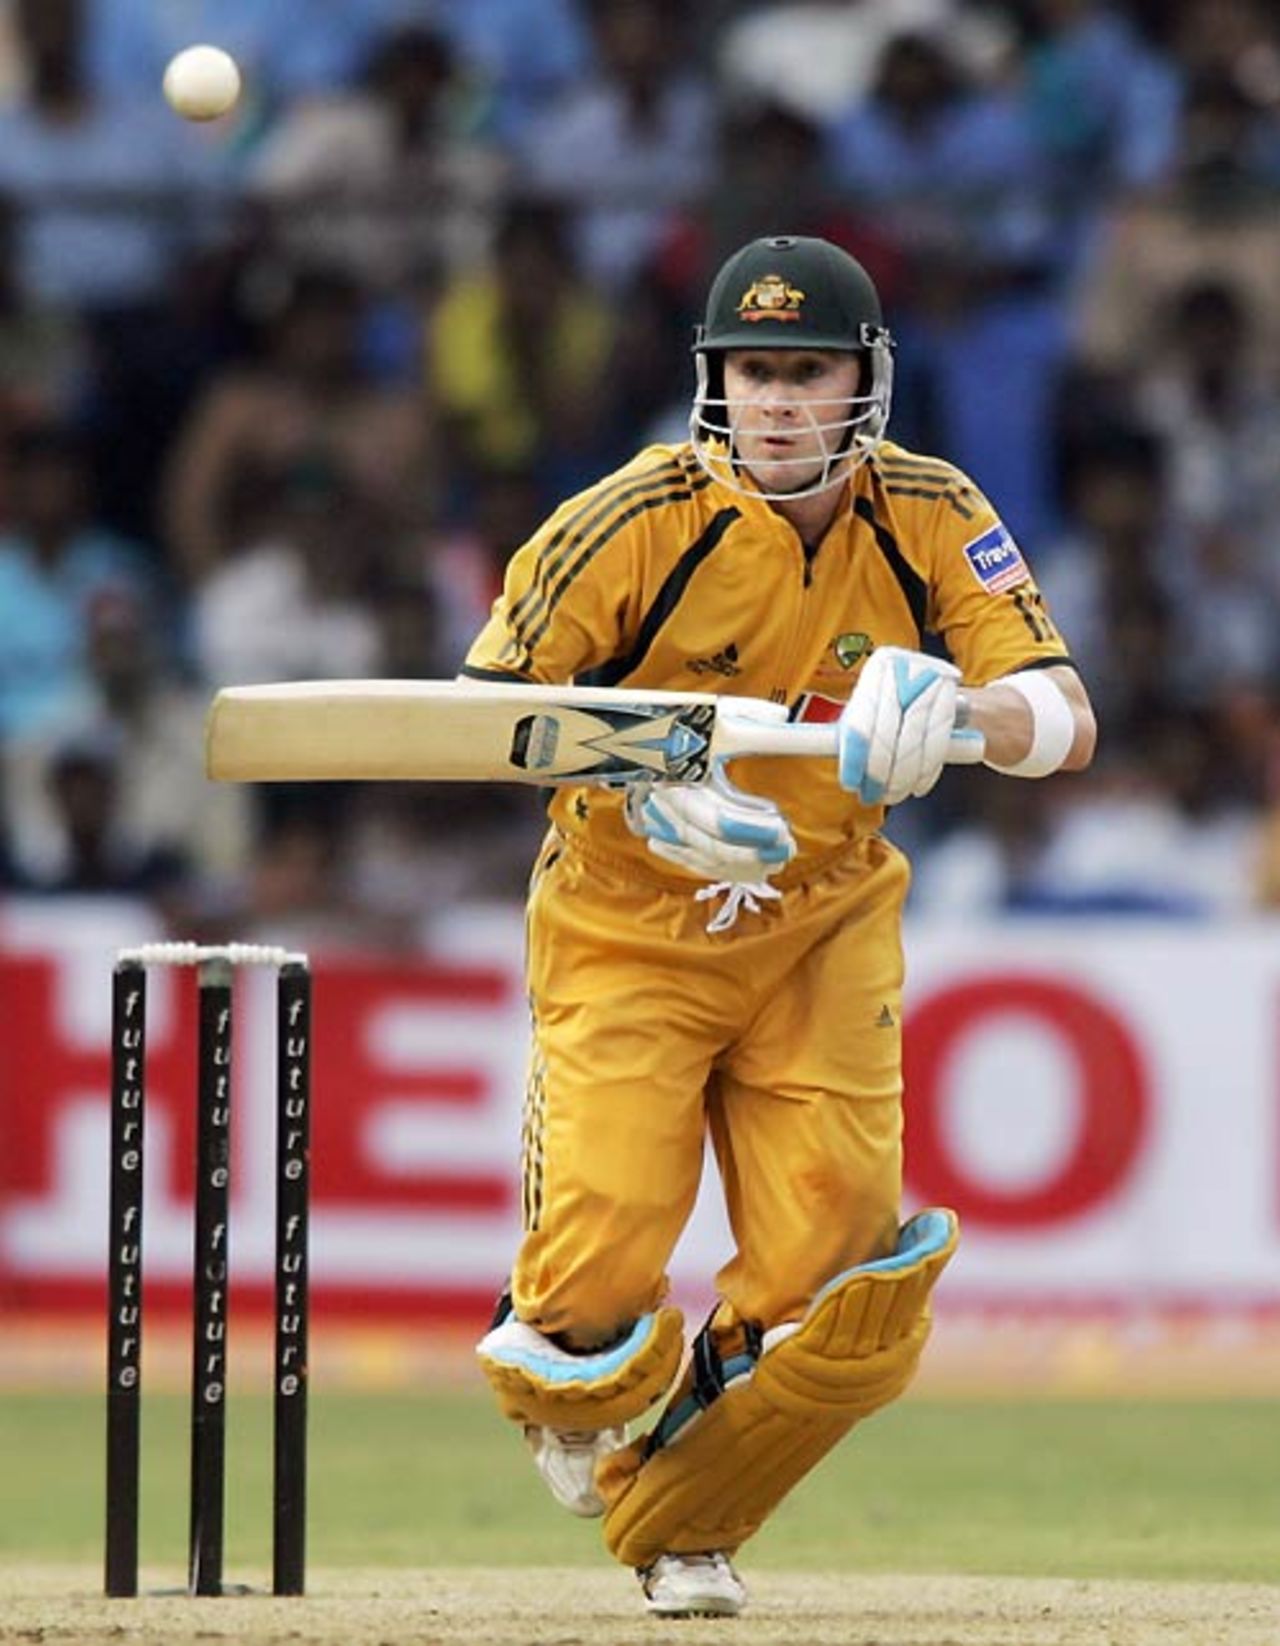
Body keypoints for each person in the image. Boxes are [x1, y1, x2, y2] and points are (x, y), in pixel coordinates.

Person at [465, 235, 1096, 1618]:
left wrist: (962, 712)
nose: (780, 404)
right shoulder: (631, 517)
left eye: (809, 372)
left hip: (822, 924)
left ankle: (693, 1518)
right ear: (716, 380)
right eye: (755, 373)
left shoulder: (930, 509)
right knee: (599, 1260)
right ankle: (568, 1373)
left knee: (835, 1261)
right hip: (630, 922)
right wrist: (640, 780)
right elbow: (488, 716)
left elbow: (1063, 712)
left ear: (865, 380)